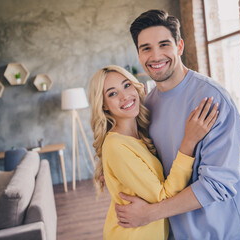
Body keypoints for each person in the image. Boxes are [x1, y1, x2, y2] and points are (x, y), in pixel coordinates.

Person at [114, 9, 240, 240]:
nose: (155, 56)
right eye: (146, 48)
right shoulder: (146, 105)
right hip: (167, 232)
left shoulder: (213, 100)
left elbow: (218, 185)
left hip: (213, 234)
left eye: (164, 45)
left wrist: (149, 214)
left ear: (179, 46)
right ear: (139, 54)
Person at [88, 65, 218, 239]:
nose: (125, 96)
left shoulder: (139, 134)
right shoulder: (115, 146)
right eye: (112, 93)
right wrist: (189, 141)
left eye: (127, 85)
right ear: (103, 105)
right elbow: (162, 197)